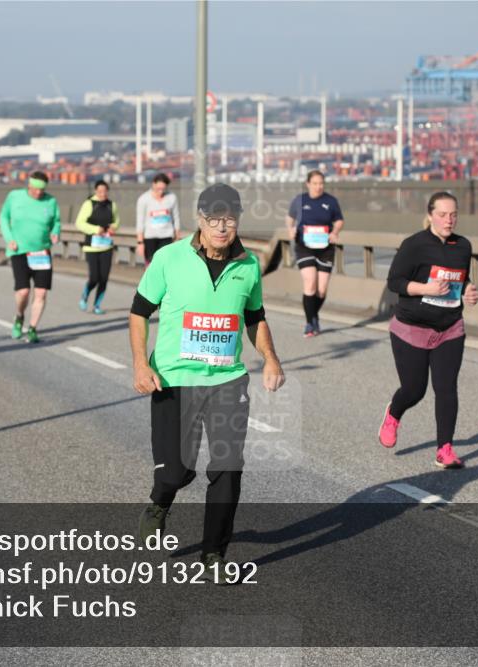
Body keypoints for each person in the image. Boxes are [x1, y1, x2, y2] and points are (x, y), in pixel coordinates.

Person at [130, 183, 285, 581]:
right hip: (173, 379)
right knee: (175, 471)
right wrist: (139, 365)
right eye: (213, 219)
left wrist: (270, 359)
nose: (221, 227)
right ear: (200, 220)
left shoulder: (249, 266)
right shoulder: (169, 258)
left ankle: (214, 555)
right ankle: (159, 504)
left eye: (229, 219)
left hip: (226, 381)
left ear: (237, 221)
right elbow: (138, 312)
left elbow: (255, 317)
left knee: (228, 469)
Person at [378, 191, 478, 469]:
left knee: (446, 388)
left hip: (450, 327)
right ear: (430, 215)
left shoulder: (463, 246)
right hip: (412, 327)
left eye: (453, 214)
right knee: (414, 389)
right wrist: (425, 289)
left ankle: (445, 449)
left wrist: (468, 292)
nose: (449, 220)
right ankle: (394, 413)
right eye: (443, 214)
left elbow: (460, 279)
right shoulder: (414, 245)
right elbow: (395, 282)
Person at [0, 170, 61, 344]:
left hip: (42, 253)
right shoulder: (14, 196)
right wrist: (9, 239)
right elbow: (4, 217)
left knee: (41, 293)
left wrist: (55, 232)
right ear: (29, 185)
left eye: (42, 190)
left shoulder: (51, 201)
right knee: (23, 291)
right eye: (35, 189)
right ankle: (19, 317)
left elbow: (56, 222)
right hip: (19, 251)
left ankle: (32, 328)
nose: (38, 193)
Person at [285, 170, 345, 337]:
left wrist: (335, 232)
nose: (319, 187)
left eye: (321, 183)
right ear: (308, 184)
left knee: (322, 290)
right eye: (315, 183)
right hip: (304, 246)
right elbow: (290, 217)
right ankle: (309, 323)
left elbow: (339, 220)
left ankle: (313, 315)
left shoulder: (331, 201)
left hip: (325, 247)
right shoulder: (300, 200)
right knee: (310, 282)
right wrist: (290, 229)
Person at [76, 179, 120, 315]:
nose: (102, 194)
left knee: (104, 278)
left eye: (105, 191)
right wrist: (96, 229)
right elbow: (79, 223)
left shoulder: (111, 205)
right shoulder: (89, 204)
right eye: (100, 191)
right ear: (96, 191)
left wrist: (113, 228)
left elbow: (116, 221)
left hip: (106, 246)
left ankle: (97, 305)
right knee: (94, 277)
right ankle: (85, 294)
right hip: (92, 247)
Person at [135, 172, 180, 265]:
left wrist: (177, 237)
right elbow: (140, 221)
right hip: (150, 238)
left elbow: (176, 217)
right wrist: (140, 243)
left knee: (165, 265)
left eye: (163, 189)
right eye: (158, 189)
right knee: (151, 266)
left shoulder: (172, 197)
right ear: (153, 184)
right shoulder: (144, 199)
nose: (161, 191)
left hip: (166, 237)